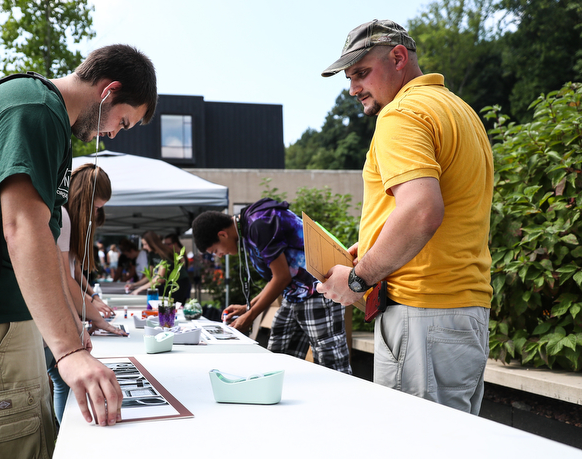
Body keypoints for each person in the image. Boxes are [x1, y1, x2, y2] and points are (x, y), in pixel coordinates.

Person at [0, 44, 157, 458]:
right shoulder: (35, 110)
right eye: (122, 122)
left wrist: (70, 332)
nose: (112, 134)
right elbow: (23, 228)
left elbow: (47, 244)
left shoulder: (44, 114)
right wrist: (70, 351)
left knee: (36, 441)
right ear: (108, 92)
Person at [317, 20, 493, 414]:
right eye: (348, 78)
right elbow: (448, 208)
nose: (353, 89)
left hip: (420, 314)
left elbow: (421, 210)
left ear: (398, 57)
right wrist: (375, 244)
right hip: (463, 312)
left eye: (361, 73)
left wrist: (360, 279)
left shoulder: (401, 115)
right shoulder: (460, 111)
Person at [192, 199, 352, 374]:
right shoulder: (247, 228)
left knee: (331, 364)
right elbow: (278, 277)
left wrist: (250, 315)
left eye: (215, 251)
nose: (220, 256)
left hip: (320, 290)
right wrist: (248, 307)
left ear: (222, 234)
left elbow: (281, 277)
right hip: (295, 295)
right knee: (278, 358)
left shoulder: (259, 223)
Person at [46, 163, 126, 425]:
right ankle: (66, 437)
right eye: (97, 207)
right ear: (85, 199)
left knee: (58, 380)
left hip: (56, 313)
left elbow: (72, 270)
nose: (96, 213)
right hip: (53, 314)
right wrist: (84, 320)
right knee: (61, 380)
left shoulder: (62, 215)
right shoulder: (62, 216)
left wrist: (91, 301)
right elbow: (63, 278)